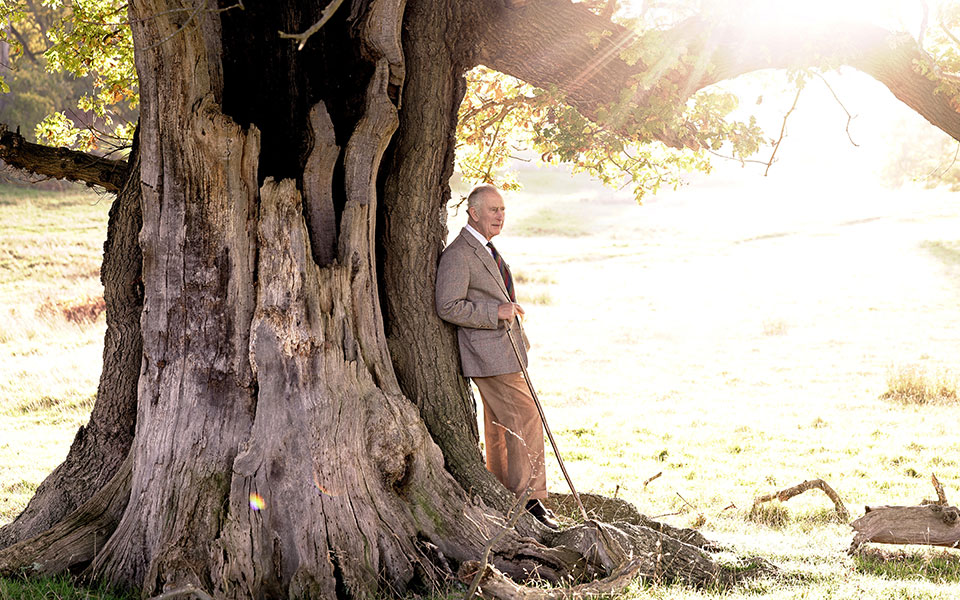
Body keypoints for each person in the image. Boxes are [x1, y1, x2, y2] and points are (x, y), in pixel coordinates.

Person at [435, 183, 558, 529]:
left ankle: (505, 491)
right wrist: (496, 311)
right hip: (488, 355)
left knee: (501, 425)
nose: (500, 216)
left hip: (505, 352)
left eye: (502, 210)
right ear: (473, 212)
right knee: (526, 417)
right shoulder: (460, 254)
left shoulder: (486, 249)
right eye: (493, 210)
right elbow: (447, 305)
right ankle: (529, 500)